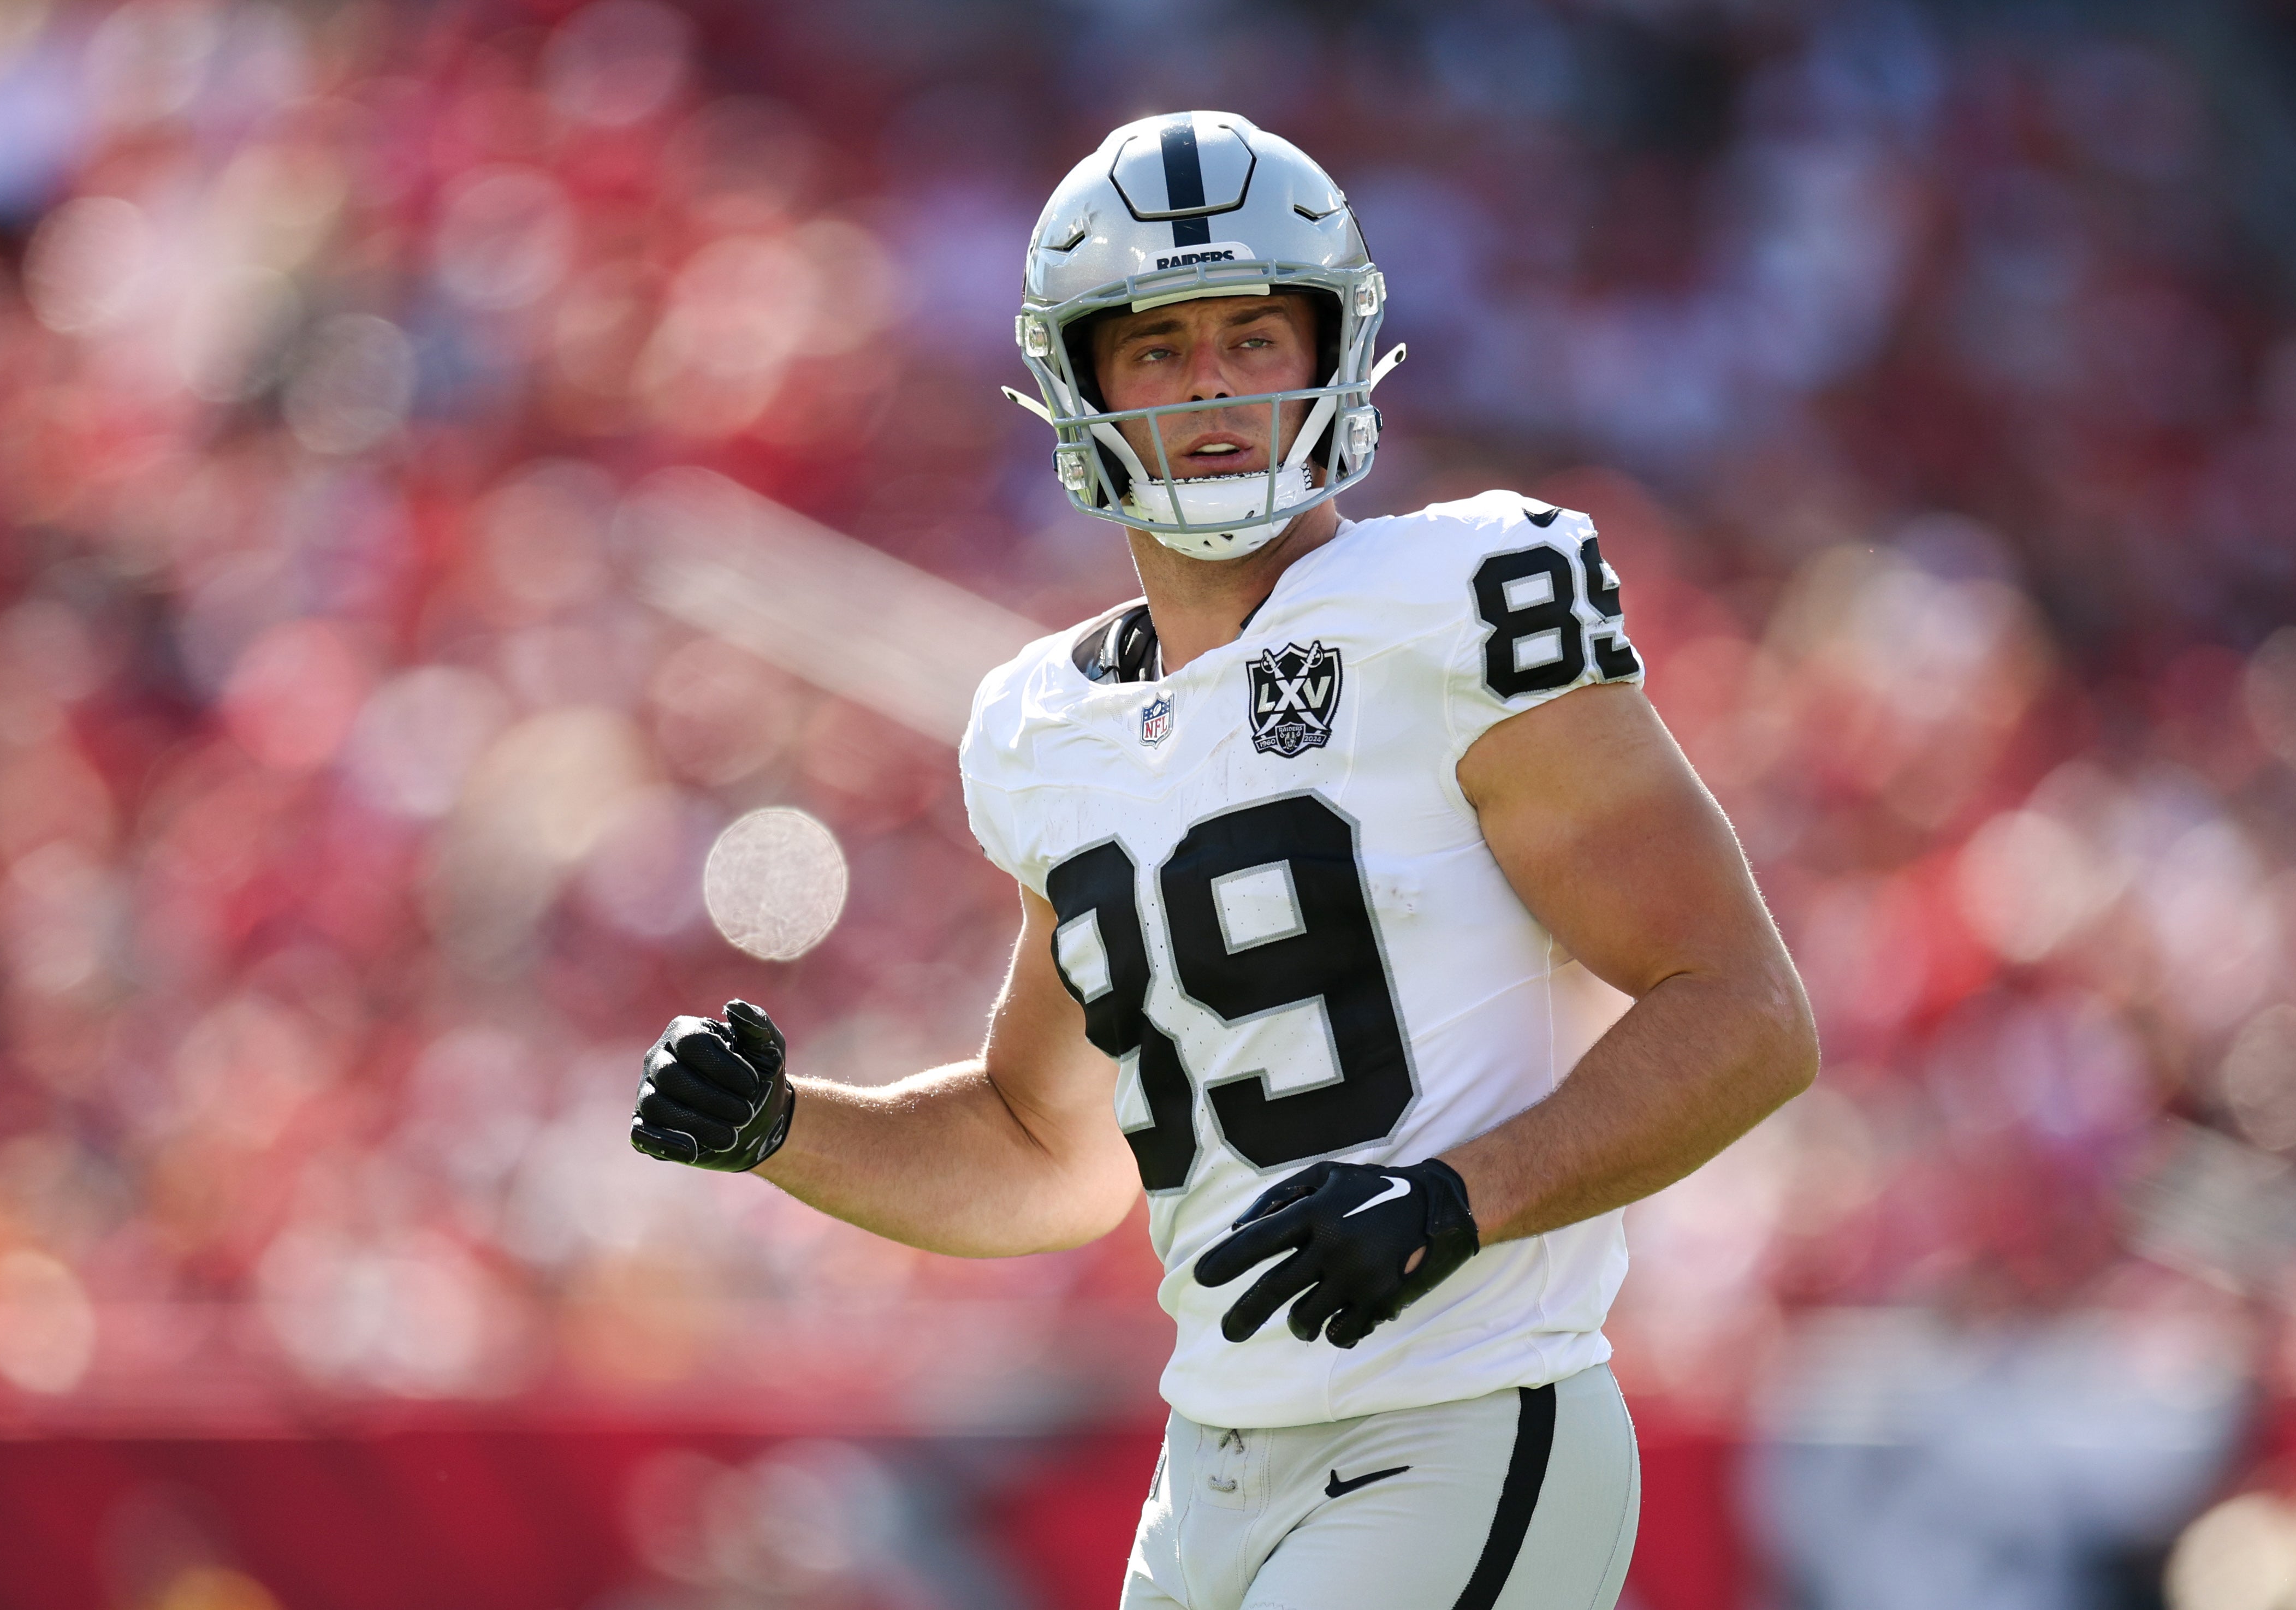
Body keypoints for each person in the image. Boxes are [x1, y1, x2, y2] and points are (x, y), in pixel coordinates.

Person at [630, 111, 1818, 1610]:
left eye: (1254, 336)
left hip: (1457, 1420)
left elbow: (1744, 1015)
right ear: (1079, 383)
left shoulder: (1462, 604)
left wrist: (1457, 1198)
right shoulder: (1042, 728)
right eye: (1158, 346)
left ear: (1333, 347)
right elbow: (1044, 1148)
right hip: (1213, 1468)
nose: (1209, 388)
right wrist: (783, 1132)